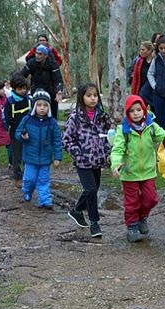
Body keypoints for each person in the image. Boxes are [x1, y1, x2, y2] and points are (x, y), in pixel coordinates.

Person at [109, 94, 165, 242]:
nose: (136, 113)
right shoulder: (123, 130)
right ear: (127, 113)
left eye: (138, 110)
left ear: (144, 110)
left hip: (148, 171)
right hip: (129, 173)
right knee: (132, 201)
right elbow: (117, 149)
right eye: (132, 111)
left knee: (150, 198)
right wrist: (116, 164)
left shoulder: (151, 126)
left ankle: (142, 217)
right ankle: (132, 227)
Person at [62, 83, 114, 238]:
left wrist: (108, 152)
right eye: (89, 95)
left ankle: (77, 211)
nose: (93, 99)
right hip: (83, 162)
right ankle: (94, 222)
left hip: (98, 160)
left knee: (93, 189)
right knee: (91, 189)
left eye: (95, 95)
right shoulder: (76, 118)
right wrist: (78, 153)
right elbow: (66, 140)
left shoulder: (103, 117)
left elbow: (110, 136)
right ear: (82, 97)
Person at [15, 90, 62, 208]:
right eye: (39, 105)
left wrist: (57, 157)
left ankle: (45, 200)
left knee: (43, 180)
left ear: (49, 107)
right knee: (29, 179)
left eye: (45, 105)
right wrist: (22, 136)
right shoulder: (27, 120)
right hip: (30, 158)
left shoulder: (52, 122)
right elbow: (17, 133)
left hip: (45, 159)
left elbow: (57, 140)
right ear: (34, 106)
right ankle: (27, 191)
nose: (42, 108)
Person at [18, 45, 64, 120]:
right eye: (36, 53)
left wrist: (59, 91)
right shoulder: (31, 62)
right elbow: (21, 76)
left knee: (52, 117)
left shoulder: (53, 64)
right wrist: (17, 87)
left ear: (45, 56)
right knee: (35, 116)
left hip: (51, 93)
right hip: (36, 92)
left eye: (40, 54)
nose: (37, 56)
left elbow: (58, 79)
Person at [5, 75, 31, 187]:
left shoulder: (29, 100)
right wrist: (19, 128)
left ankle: (28, 173)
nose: (22, 91)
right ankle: (17, 175)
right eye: (20, 89)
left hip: (29, 131)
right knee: (16, 154)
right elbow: (8, 118)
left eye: (24, 88)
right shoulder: (10, 102)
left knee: (28, 152)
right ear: (14, 89)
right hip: (15, 132)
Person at [130, 41, 155, 106]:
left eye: (143, 50)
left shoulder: (155, 61)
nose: (141, 51)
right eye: (140, 49)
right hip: (141, 91)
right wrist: (134, 93)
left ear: (149, 51)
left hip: (153, 91)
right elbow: (135, 78)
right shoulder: (139, 62)